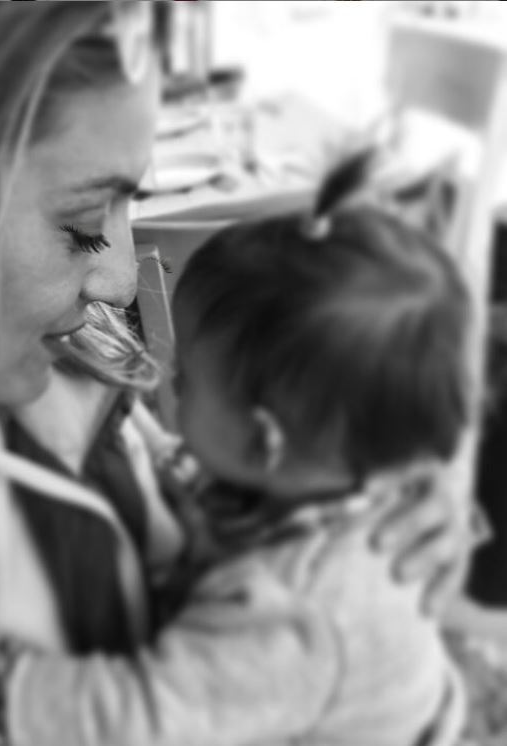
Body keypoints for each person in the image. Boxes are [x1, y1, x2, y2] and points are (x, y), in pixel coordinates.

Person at [0, 4, 474, 746]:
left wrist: (372, 482)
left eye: (129, 201)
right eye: (83, 221)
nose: (124, 280)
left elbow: (161, 487)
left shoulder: (61, 352)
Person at [165, 150, 475, 744]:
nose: (167, 381)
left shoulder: (285, 605)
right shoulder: (338, 477)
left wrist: (3, 683)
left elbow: (145, 718)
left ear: (265, 441)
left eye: (185, 379)